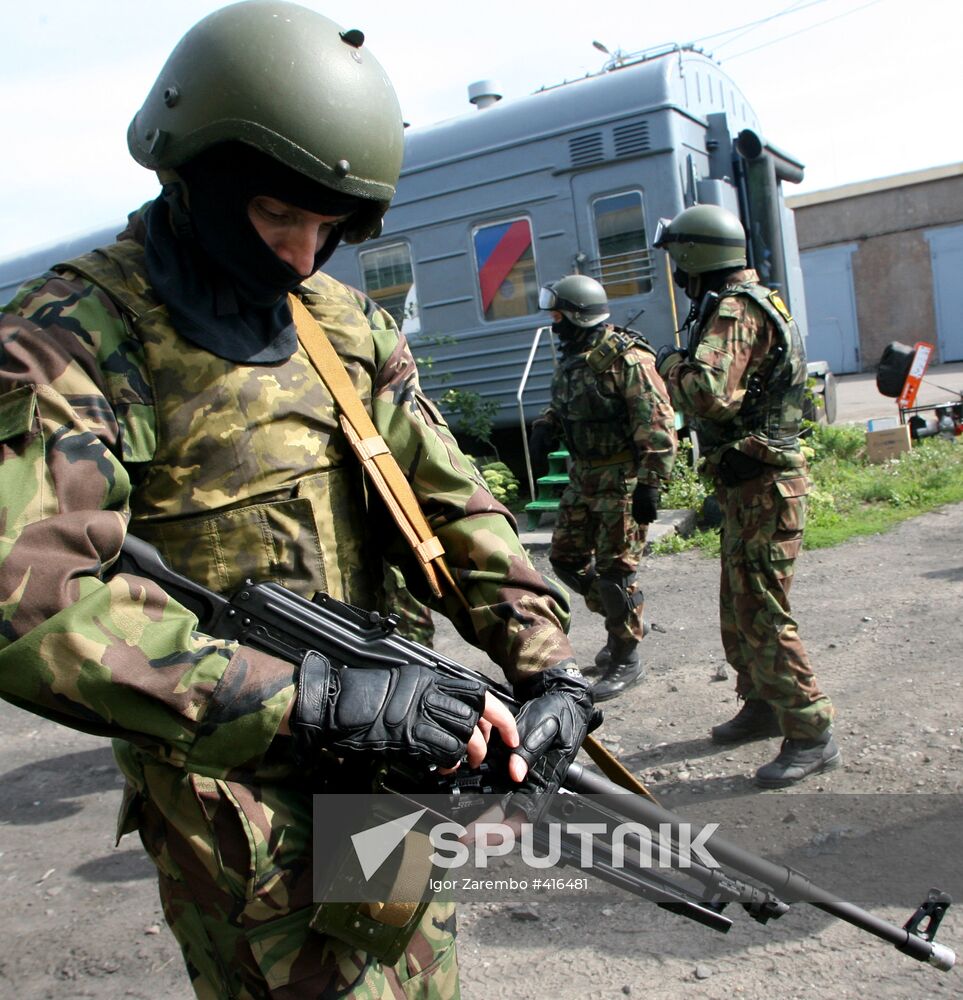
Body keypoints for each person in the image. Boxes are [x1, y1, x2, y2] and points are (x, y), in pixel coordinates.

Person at [0, 3, 598, 996]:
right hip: (239, 795)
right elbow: (31, 601)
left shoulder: (339, 326)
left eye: (331, 226)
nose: (301, 254)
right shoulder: (70, 339)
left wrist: (548, 665)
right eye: (279, 215)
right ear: (193, 172)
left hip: (383, 762)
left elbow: (450, 503)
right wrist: (312, 701)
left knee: (406, 971)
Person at [652, 203, 840, 788]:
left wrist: (670, 363)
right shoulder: (750, 302)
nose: (676, 277)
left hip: (766, 485)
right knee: (738, 603)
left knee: (760, 608)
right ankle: (762, 705)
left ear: (693, 256)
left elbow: (708, 394)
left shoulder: (734, 311)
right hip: (748, 483)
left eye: (676, 261)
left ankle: (811, 731)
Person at [529, 275, 677, 703]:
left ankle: (626, 658)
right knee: (566, 559)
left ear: (578, 316)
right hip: (584, 476)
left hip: (621, 480)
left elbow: (659, 423)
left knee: (616, 573)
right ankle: (627, 619)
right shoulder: (576, 358)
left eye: (558, 316)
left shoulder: (628, 359)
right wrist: (548, 424)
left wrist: (652, 482)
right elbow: (572, 403)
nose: (553, 326)